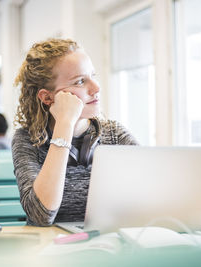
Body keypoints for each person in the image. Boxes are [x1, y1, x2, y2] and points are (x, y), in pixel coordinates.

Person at [12, 38, 139, 226]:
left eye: (93, 76)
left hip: (108, 245)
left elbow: (150, 192)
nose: (96, 88)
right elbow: (41, 215)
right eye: (80, 81)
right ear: (47, 97)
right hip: (51, 249)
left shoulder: (114, 134)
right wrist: (65, 124)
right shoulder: (27, 140)